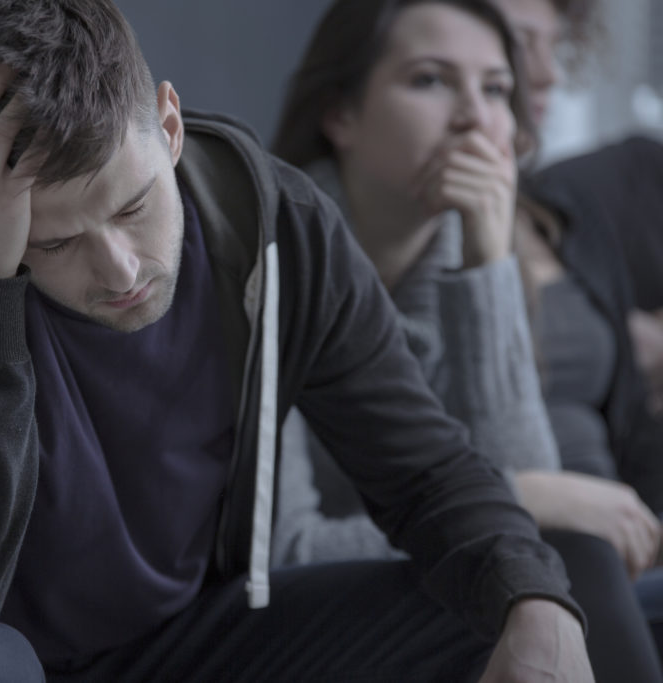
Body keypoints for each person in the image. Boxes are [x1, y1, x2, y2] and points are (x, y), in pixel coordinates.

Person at [0, 1, 593, 681]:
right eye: (56, 242)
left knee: (528, 594)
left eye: (135, 206)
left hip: (166, 642)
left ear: (169, 124)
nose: (118, 269)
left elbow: (424, 470)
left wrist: (537, 601)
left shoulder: (276, 222)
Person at [270, 0, 663, 680]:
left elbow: (530, 541)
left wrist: (488, 259)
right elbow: (288, 549)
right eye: (430, 80)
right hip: (295, 611)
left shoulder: (476, 254)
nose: (476, 118)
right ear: (341, 116)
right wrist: (527, 493)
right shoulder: (276, 256)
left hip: (452, 578)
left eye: (496, 90)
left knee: (567, 561)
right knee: (567, 559)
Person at [490, 0, 663, 456]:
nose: (551, 75)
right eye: (520, 43)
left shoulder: (557, 212)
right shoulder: (612, 180)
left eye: (556, 46)